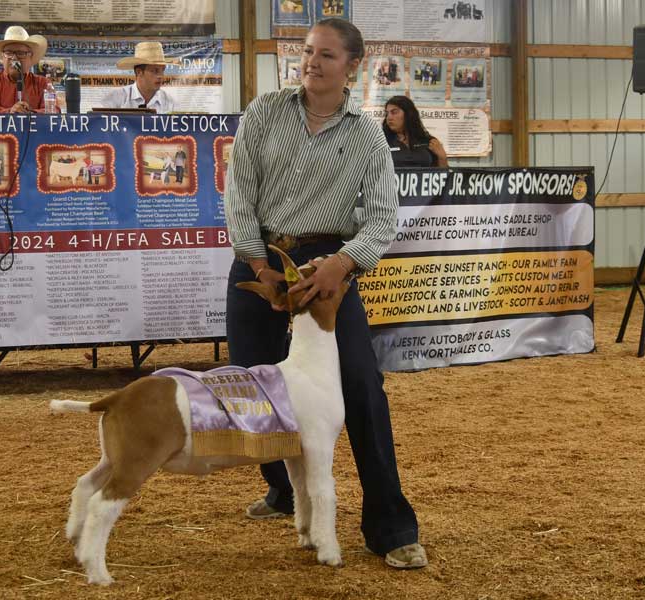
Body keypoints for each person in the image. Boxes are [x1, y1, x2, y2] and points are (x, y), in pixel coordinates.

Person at [223, 18, 427, 570]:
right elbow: (238, 188)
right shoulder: (265, 111)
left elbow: (384, 218)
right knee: (254, 385)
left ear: (353, 66)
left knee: (361, 385)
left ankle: (391, 526)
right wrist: (255, 262)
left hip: (327, 276)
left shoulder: (366, 136)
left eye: (328, 55)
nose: (313, 62)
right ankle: (287, 492)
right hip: (261, 262)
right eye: (309, 52)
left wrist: (344, 263)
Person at [0, 25, 51, 114]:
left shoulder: (43, 84)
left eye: (21, 53)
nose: (14, 58)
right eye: (9, 52)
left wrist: (30, 114)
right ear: (2, 57)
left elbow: (54, 110)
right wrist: (9, 112)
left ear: (30, 57)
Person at [99, 42, 178, 113]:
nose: (161, 76)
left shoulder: (170, 102)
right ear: (139, 72)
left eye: (162, 70)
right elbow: (97, 124)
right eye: (155, 71)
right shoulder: (116, 98)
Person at [382, 95, 448, 168]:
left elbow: (442, 175)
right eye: (387, 113)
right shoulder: (382, 142)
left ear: (408, 114)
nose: (389, 117)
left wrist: (442, 158)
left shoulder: (428, 141)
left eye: (394, 112)